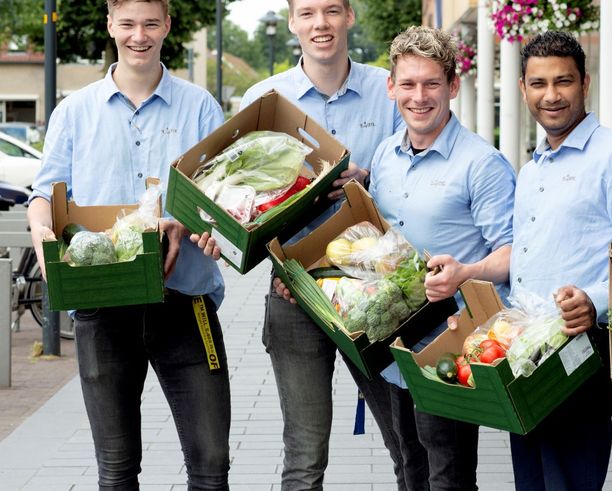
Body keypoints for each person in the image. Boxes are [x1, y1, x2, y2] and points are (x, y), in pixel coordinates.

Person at [26, 0, 231, 488]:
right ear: (111, 26)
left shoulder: (200, 106)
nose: (139, 35)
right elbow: (44, 193)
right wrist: (42, 234)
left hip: (186, 302)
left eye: (151, 24)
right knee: (116, 471)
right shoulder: (74, 111)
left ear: (166, 26)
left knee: (211, 465)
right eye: (128, 24)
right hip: (101, 308)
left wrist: (185, 224)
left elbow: (221, 196)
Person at [239, 1, 407, 489]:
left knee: (406, 444)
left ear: (350, 16)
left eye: (331, 10)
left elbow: (419, 163)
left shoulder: (389, 89)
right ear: (292, 22)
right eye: (307, 12)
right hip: (295, 293)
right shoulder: (264, 98)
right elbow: (242, 200)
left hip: (379, 293)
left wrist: (369, 177)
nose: (321, 24)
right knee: (304, 454)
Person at [369, 26, 516, 490]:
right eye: (408, 84)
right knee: (409, 469)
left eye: (431, 83)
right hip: (394, 345)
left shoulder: (482, 164)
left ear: (452, 86)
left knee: (447, 476)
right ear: (391, 87)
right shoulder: (385, 155)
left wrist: (466, 273)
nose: (419, 97)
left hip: (449, 349)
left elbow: (515, 253)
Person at [512, 31, 612, 489]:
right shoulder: (533, 167)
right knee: (532, 482)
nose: (551, 95)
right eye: (538, 84)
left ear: (585, 84)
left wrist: (595, 302)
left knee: (569, 480)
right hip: (525, 351)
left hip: (581, 347)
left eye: (564, 82)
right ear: (522, 89)